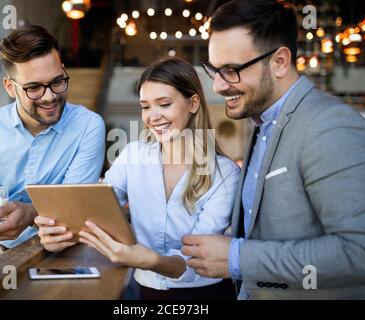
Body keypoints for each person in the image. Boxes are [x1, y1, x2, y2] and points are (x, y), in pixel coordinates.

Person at [182, 0, 365, 299]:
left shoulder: (331, 125)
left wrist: (238, 257)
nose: (218, 86)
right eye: (214, 70)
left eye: (231, 70)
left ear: (279, 61)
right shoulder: (263, 121)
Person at [35, 57, 240, 299]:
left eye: (164, 104)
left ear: (193, 103)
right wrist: (59, 232)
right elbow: (96, 204)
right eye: (145, 106)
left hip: (205, 294)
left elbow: (195, 261)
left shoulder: (225, 173)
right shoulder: (134, 154)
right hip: (146, 290)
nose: (152, 117)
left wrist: (149, 259)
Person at [0, 25, 106, 270]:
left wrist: (29, 213)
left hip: (55, 251)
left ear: (64, 71)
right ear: (10, 87)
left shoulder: (89, 126)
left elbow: (73, 205)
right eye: (34, 88)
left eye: (57, 82)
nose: (49, 97)